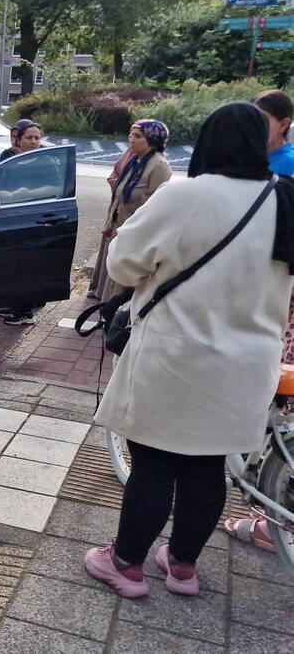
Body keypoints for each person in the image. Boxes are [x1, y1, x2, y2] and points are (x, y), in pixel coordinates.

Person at [83, 102, 294, 599]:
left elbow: (124, 263)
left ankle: (126, 565)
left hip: (176, 358)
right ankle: (182, 568)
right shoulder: (285, 200)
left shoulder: (186, 196)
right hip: (247, 365)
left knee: (154, 465)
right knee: (207, 466)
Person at [222, 89, 294, 554]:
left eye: (260, 120)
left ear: (283, 123)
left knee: (271, 385)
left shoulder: (283, 170)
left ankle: (273, 507)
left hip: (282, 304)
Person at [100, 119, 172, 303]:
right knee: (114, 279)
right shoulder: (135, 161)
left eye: (137, 136)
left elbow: (156, 207)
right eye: (131, 134)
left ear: (153, 138)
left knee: (123, 285)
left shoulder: (159, 166)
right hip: (120, 228)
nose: (131, 139)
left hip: (136, 234)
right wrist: (110, 223)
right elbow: (119, 196)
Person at [0, 120, 51, 325]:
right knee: (12, 264)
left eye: (37, 137)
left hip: (36, 220)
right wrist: (8, 194)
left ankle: (26, 312)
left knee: (28, 265)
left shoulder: (46, 161)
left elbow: (53, 189)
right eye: (29, 137)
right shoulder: (11, 161)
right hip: (12, 219)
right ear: (18, 140)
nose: (34, 141)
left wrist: (28, 193)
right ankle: (15, 304)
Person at [88, 148, 136, 300]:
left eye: (137, 135)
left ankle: (112, 295)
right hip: (116, 210)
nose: (132, 138)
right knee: (109, 251)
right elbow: (114, 176)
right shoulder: (131, 154)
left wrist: (125, 189)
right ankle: (100, 290)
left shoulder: (156, 164)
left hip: (129, 216)